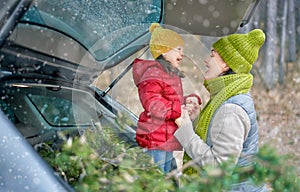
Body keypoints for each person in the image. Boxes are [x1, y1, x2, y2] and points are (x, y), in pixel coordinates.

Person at [174, 29, 268, 191]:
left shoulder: (232, 109)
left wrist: (186, 133)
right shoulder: (227, 97)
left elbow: (219, 168)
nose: (206, 60)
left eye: (212, 55)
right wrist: (197, 119)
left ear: (225, 64)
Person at [132, 23, 185, 173]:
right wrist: (177, 111)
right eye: (178, 49)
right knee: (156, 178)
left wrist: (186, 103)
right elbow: (153, 104)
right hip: (155, 139)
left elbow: (171, 98)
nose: (182, 54)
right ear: (164, 50)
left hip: (166, 138)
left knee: (167, 177)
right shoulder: (153, 74)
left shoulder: (169, 74)